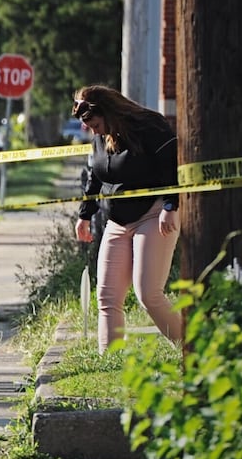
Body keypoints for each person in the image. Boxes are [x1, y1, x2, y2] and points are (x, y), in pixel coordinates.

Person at [72, 83, 182, 352]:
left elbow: (170, 165)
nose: (94, 132)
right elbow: (95, 176)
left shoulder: (150, 126)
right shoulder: (101, 138)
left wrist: (170, 205)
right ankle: (110, 359)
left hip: (154, 214)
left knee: (148, 294)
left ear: (108, 113)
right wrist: (84, 215)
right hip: (117, 220)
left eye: (96, 124)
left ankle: (193, 349)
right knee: (107, 297)